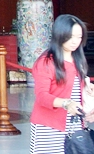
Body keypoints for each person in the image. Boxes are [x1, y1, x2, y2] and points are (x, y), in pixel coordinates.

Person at [30, 14, 94, 154]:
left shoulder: (78, 61)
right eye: (70, 36)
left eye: (79, 37)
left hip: (75, 124)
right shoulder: (46, 62)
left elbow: (77, 91)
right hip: (49, 125)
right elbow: (42, 96)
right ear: (59, 35)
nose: (75, 41)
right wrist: (66, 104)